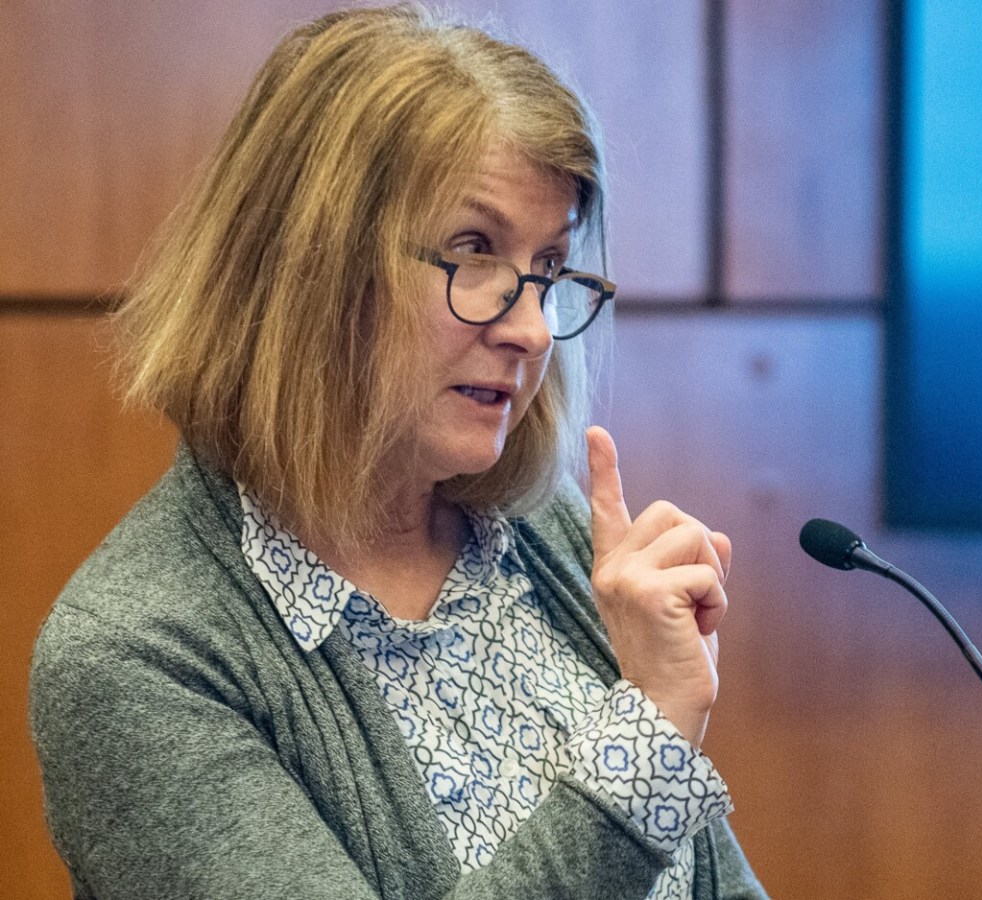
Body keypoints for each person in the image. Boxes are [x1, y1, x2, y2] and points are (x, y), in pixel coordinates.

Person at [29, 4, 766, 898]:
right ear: (313, 267)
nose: (534, 330)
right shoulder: (138, 654)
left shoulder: (546, 535)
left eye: (546, 267)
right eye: (473, 251)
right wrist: (642, 747)